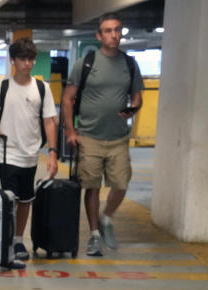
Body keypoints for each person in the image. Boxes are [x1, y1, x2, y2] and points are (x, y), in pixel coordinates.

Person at [62, 13, 144, 256]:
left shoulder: (130, 64)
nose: (114, 35)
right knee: (92, 186)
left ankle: (106, 217)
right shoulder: (86, 63)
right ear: (99, 36)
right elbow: (68, 99)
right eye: (108, 31)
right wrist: (70, 130)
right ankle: (95, 235)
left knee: (121, 183)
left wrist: (133, 109)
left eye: (117, 30)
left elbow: (137, 96)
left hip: (118, 137)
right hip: (89, 136)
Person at [0, 37, 59, 264]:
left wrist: (53, 153)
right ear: (13, 61)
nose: (27, 63)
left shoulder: (42, 89)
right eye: (22, 59)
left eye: (31, 59)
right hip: (6, 152)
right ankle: (6, 241)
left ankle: (17, 239)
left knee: (25, 199)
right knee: (10, 198)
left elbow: (49, 122)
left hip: (30, 153)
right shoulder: (2, 88)